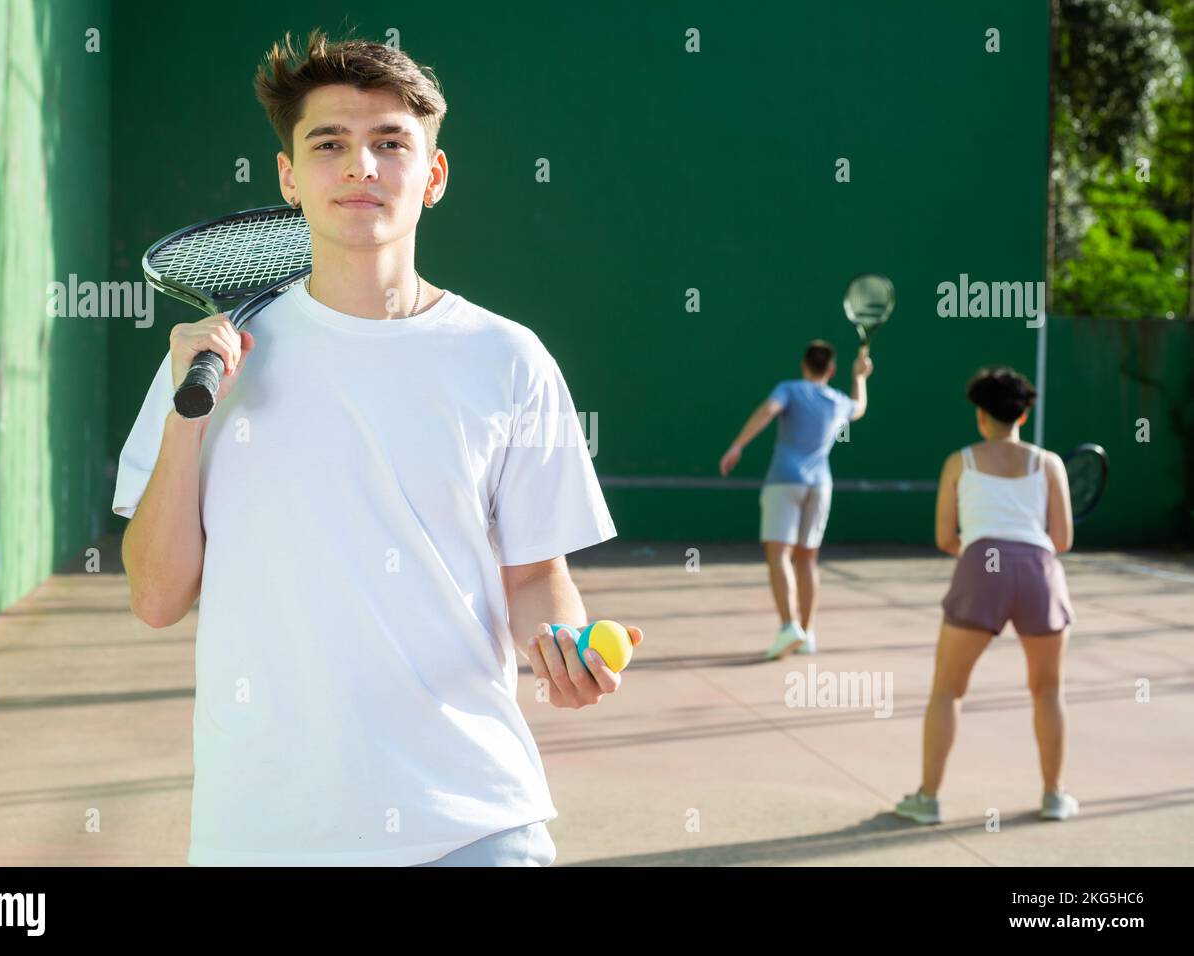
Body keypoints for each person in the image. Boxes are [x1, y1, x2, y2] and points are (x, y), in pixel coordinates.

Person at [113, 29, 643, 866]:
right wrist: (189, 414)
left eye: (390, 143)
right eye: (330, 144)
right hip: (263, 835)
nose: (361, 166)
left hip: (475, 825)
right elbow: (156, 595)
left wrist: (565, 648)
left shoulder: (510, 360)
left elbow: (539, 579)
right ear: (289, 177)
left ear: (432, 176)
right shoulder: (207, 367)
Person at [895, 366, 1077, 825]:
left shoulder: (960, 462)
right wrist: (1024, 558)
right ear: (1023, 414)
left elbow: (944, 537)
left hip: (981, 566)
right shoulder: (1049, 463)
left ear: (981, 416)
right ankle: (1054, 796)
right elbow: (1063, 538)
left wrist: (982, 556)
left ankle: (928, 799)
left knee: (948, 689)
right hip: (1039, 569)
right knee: (1048, 690)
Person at [719, 340, 871, 659]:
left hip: (784, 481)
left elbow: (767, 411)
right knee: (808, 558)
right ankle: (808, 632)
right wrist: (860, 378)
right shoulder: (837, 400)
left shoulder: (789, 388)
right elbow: (859, 408)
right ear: (830, 370)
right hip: (820, 486)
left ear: (804, 365)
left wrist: (737, 446)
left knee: (778, 554)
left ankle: (790, 627)